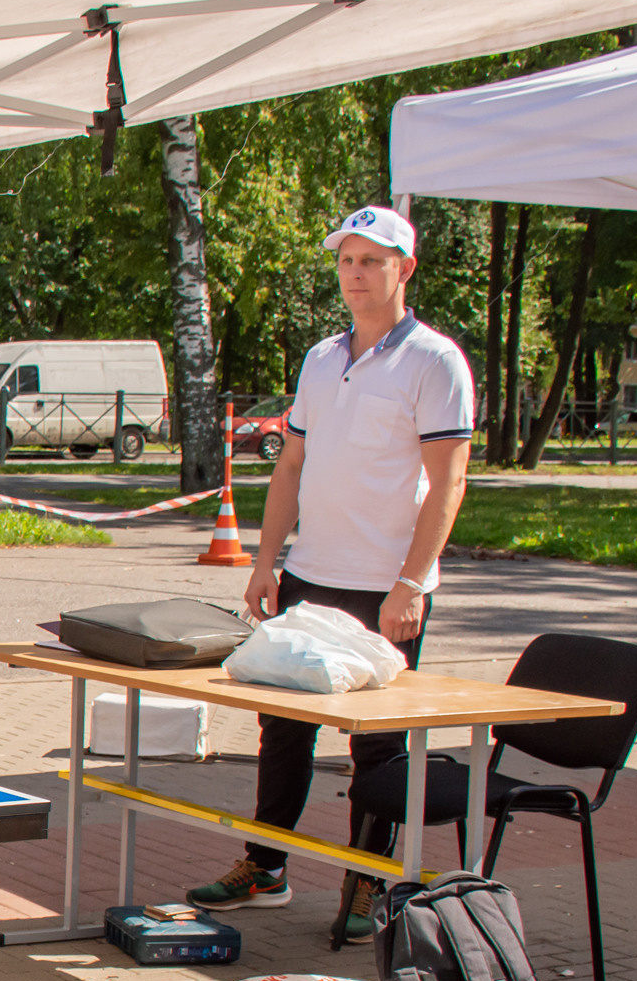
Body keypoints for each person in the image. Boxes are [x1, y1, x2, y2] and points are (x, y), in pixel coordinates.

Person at [188, 206, 476, 938]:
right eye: (347, 260)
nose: (356, 274)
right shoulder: (321, 358)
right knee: (281, 726)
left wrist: (412, 582)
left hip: (385, 586)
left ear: (404, 270)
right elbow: (292, 464)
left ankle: (366, 882)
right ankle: (267, 864)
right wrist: (265, 559)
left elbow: (448, 483)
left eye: (373, 261)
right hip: (310, 573)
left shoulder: (435, 361)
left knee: (375, 744)